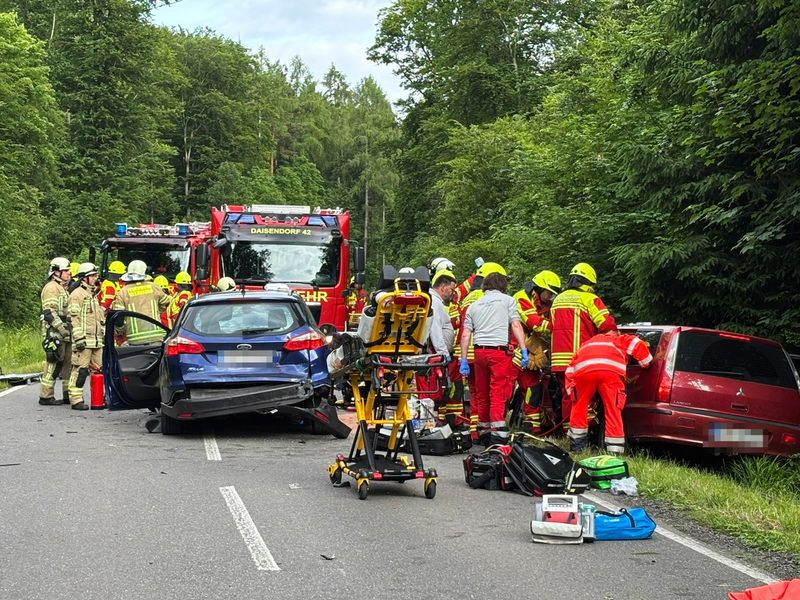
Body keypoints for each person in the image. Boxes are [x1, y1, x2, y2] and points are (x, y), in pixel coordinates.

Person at [459, 271, 528, 446]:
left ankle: (483, 431)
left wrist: (464, 359)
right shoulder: (508, 301)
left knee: (481, 393)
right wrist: (524, 349)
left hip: (479, 353)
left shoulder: (474, 306)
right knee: (497, 392)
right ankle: (497, 432)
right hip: (499, 353)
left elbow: (466, 334)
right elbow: (516, 324)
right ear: (502, 285)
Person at [550, 263, 617, 433]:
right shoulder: (589, 299)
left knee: (568, 396)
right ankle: (584, 434)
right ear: (588, 283)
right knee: (585, 398)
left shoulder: (557, 300)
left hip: (558, 361)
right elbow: (607, 325)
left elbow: (551, 326)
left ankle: (569, 433)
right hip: (580, 360)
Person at [564, 331, 652, 454]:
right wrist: (646, 363)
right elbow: (636, 343)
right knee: (613, 410)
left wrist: (572, 393)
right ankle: (614, 452)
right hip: (610, 375)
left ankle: (577, 448)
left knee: (579, 408)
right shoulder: (619, 339)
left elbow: (569, 370)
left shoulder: (586, 344)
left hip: (584, 374)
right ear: (615, 333)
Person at [457, 261, 507, 440]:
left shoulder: (468, 298)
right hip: (486, 349)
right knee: (486, 394)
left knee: (476, 394)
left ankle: (475, 431)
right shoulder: (491, 299)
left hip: (468, 352)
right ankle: (484, 432)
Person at [511, 270, 562, 434]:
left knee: (534, 388)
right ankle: (493, 428)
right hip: (511, 349)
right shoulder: (522, 297)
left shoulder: (547, 305)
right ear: (539, 289)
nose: (551, 297)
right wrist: (560, 327)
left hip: (528, 351)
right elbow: (534, 323)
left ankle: (531, 428)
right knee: (503, 391)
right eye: (549, 293)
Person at [416, 270, 461, 427]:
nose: (453, 293)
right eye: (451, 289)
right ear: (442, 287)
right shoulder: (434, 302)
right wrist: (443, 354)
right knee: (430, 392)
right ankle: (428, 424)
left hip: (432, 354)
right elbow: (435, 330)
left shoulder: (433, 301)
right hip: (434, 355)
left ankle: (428, 422)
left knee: (431, 392)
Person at [67, 263, 104, 410]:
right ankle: (76, 399)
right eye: (92, 276)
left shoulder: (93, 295)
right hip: (83, 341)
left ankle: (99, 399)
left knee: (99, 370)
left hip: (96, 341)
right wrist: (79, 338)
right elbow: (72, 318)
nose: (95, 278)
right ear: (84, 278)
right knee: (80, 370)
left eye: (95, 275)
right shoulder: (77, 295)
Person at [38, 257, 73, 406]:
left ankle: (67, 394)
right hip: (55, 332)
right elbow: (49, 312)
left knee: (67, 363)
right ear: (56, 272)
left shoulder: (63, 288)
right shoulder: (51, 287)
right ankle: (45, 396)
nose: (68, 273)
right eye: (65, 271)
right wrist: (62, 329)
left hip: (65, 333)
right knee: (54, 362)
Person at [111, 260, 171, 345]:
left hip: (135, 338)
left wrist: (119, 330)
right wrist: (157, 312)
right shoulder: (153, 287)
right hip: (155, 336)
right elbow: (166, 302)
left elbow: (118, 316)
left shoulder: (123, 292)